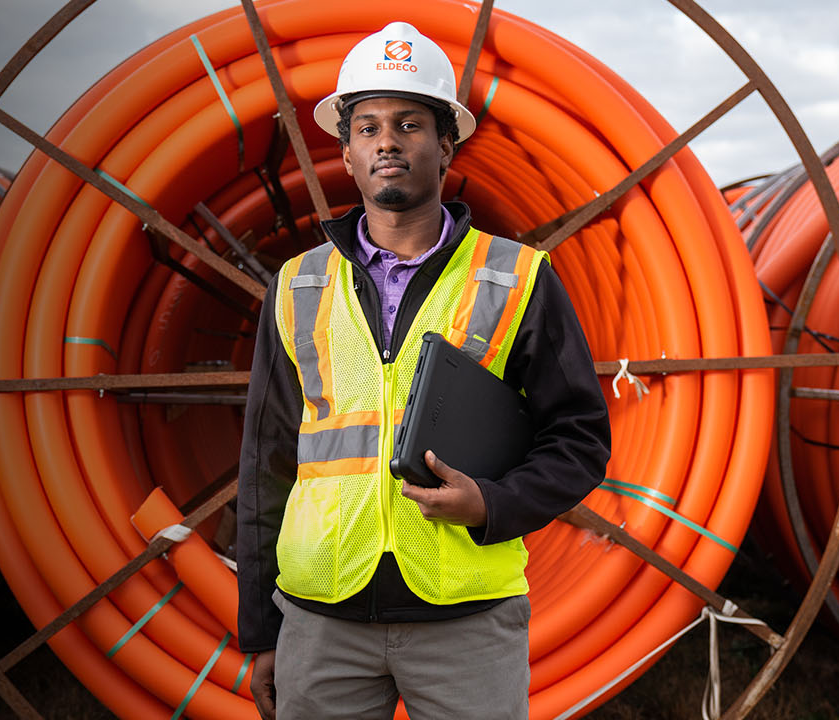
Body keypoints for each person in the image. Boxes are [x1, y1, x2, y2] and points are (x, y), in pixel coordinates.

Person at [229, 21, 612, 720]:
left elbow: (579, 436)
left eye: (409, 123)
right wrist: (260, 630)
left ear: (445, 146)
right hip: (322, 618)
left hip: (467, 622)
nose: (387, 141)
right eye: (368, 126)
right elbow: (265, 464)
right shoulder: (298, 284)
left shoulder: (516, 275)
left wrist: (492, 506)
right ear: (345, 153)